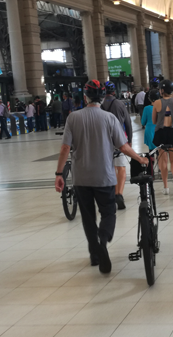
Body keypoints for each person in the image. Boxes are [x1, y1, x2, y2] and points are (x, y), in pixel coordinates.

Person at [54, 81, 147, 273]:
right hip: (104, 176)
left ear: (85, 97)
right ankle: (103, 239)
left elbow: (65, 148)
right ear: (103, 97)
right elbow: (123, 146)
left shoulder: (73, 118)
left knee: (88, 218)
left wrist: (59, 173)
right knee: (108, 212)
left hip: (81, 178)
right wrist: (139, 158)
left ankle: (95, 255)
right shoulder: (110, 118)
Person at [101, 81, 132, 210]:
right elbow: (128, 122)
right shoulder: (120, 104)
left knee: (110, 168)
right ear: (114, 92)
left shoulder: (100, 105)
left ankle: (113, 193)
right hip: (119, 139)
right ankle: (119, 193)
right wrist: (129, 140)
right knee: (121, 168)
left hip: (104, 140)